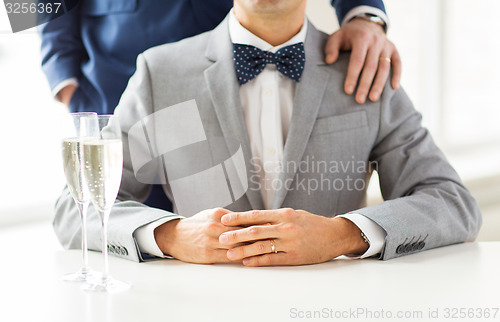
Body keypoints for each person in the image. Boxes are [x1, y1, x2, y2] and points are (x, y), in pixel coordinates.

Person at [54, 0, 481, 266]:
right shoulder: (157, 73)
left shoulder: (362, 76)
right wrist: (58, 67)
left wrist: (344, 234)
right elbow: (77, 210)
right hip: (126, 80)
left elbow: (452, 203)